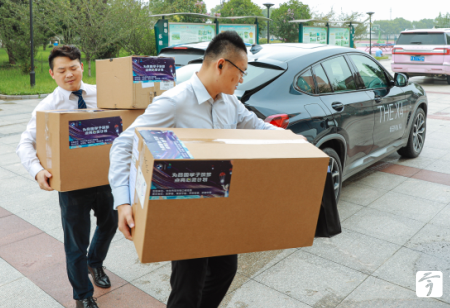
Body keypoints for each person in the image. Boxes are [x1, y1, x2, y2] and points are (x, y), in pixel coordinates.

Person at [109, 31, 281, 308]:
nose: (241, 80)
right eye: (241, 72)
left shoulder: (230, 103)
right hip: (185, 208)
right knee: (188, 288)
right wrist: (123, 202)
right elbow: (123, 145)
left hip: (221, 203)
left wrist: (295, 141)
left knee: (225, 270)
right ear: (221, 64)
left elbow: (259, 127)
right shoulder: (175, 102)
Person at [16, 45, 117, 308]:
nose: (69, 74)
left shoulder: (102, 94)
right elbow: (25, 143)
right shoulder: (48, 107)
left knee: (110, 224)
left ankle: (95, 263)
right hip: (73, 185)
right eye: (62, 70)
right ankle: (82, 295)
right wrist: (37, 171)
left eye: (73, 68)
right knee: (76, 243)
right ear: (52, 73)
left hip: (106, 177)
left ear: (82, 67)